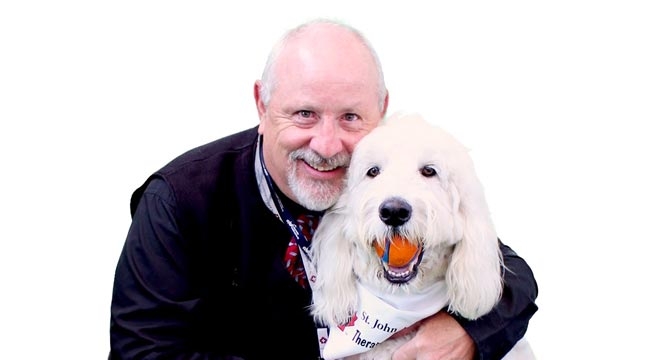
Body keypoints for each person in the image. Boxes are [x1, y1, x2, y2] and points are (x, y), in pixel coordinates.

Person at [109, 18, 538, 360]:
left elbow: (507, 270)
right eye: (304, 114)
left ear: (381, 109)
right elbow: (143, 351)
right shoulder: (179, 201)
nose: (327, 145)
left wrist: (469, 333)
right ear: (262, 104)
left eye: (351, 116)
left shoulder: (383, 176)